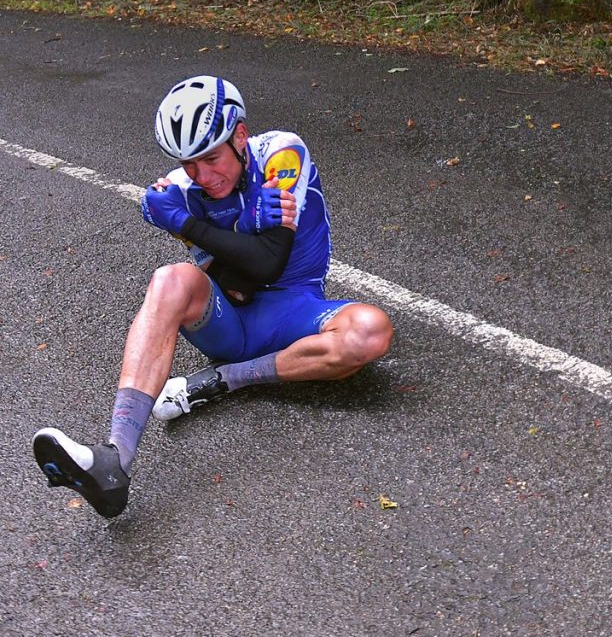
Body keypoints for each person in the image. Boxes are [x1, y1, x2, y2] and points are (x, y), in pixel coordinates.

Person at [32, 75, 393, 518]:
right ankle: (114, 460)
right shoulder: (172, 194)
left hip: (296, 309)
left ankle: (227, 380)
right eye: (188, 164)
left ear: (240, 136)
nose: (203, 176)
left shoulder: (281, 154)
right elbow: (235, 276)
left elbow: (267, 266)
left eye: (211, 158)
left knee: (369, 332)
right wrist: (241, 236)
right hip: (231, 321)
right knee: (171, 279)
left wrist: (188, 225)